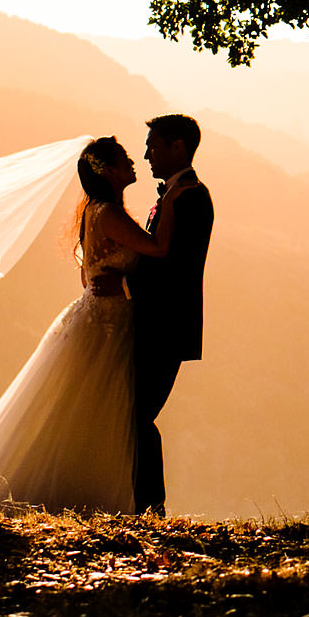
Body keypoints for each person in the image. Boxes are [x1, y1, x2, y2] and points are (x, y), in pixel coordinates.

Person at [0, 137, 177, 520]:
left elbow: (90, 272)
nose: (133, 162)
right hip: (107, 324)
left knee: (83, 409)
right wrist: (170, 201)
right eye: (124, 159)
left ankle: (88, 498)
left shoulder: (95, 210)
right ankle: (91, 499)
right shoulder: (108, 213)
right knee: (98, 411)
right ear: (107, 170)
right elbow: (157, 249)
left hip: (99, 317)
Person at [113, 113, 212, 514]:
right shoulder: (174, 194)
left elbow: (174, 265)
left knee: (139, 416)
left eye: (153, 145)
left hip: (165, 325)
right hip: (151, 323)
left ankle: (150, 507)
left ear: (178, 147)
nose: (146, 154)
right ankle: (140, 504)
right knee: (133, 415)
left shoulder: (192, 197)